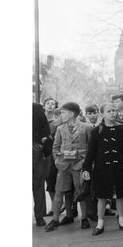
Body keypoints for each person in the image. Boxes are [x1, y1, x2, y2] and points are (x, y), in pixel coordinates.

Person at [82, 102, 123, 236]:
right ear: (102, 114)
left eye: (114, 111)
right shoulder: (97, 130)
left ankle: (122, 221)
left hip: (119, 168)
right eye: (109, 111)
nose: (113, 113)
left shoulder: (122, 129)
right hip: (102, 169)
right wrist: (86, 168)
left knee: (120, 195)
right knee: (102, 196)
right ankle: (100, 223)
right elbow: (91, 152)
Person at [45, 102, 92, 232]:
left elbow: (92, 147)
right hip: (63, 165)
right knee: (59, 191)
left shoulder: (87, 128)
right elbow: (55, 147)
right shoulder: (60, 129)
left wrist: (85, 162)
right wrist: (57, 161)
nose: (61, 115)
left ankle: (84, 218)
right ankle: (55, 219)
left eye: (63, 112)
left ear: (72, 114)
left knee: (80, 191)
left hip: (79, 165)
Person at [33, 103, 51, 226]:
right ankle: (40, 217)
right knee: (38, 184)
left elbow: (45, 130)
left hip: (34, 149)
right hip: (35, 149)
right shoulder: (36, 108)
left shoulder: (35, 108)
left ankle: (40, 216)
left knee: (38, 183)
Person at [43, 98, 60, 216]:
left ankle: (56, 206)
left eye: (52, 104)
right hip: (42, 152)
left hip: (53, 153)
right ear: (44, 105)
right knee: (47, 179)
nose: (50, 105)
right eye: (48, 103)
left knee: (52, 179)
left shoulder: (57, 121)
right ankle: (54, 206)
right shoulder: (40, 118)